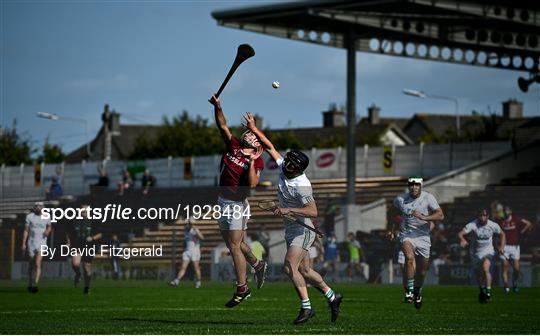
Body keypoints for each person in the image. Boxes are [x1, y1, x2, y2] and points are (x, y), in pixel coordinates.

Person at [245, 112, 342, 324]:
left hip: (303, 227)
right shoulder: (284, 166)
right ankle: (333, 296)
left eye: (290, 164)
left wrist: (288, 210)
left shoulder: (302, 185)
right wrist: (253, 129)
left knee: (290, 267)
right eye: (287, 161)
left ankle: (306, 308)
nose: (286, 165)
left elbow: (313, 211)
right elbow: (269, 146)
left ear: (298, 169)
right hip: (291, 227)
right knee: (306, 271)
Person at [208, 95, 268, 307]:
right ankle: (257, 264)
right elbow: (222, 124)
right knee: (235, 243)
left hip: (237, 205)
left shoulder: (258, 160)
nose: (249, 134)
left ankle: (242, 288)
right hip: (222, 200)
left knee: (234, 246)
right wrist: (218, 107)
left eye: (253, 134)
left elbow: (252, 185)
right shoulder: (232, 145)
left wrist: (251, 163)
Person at [388, 176, 444, 309]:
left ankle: (418, 292)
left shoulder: (428, 197)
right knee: (409, 258)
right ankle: (410, 292)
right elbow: (392, 212)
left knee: (422, 272)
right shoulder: (400, 199)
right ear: (408, 186)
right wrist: (391, 230)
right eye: (411, 185)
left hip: (423, 237)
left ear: (421, 186)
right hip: (406, 234)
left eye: (417, 185)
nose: (414, 187)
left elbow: (440, 215)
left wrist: (424, 217)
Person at [458, 209, 506, 303]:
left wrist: (502, 247)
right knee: (479, 276)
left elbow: (502, 234)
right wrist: (462, 239)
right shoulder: (473, 224)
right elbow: (460, 233)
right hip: (475, 253)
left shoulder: (493, 225)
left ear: (488, 216)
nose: (483, 217)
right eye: (481, 215)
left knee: (485, 269)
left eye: (485, 215)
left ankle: (488, 292)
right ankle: (482, 290)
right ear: (478, 216)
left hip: (488, 251)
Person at [66, 204, 102, 294]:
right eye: (83, 210)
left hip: (88, 246)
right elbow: (69, 233)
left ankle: (87, 288)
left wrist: (92, 238)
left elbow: (100, 234)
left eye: (86, 211)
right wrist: (68, 242)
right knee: (75, 264)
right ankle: (78, 274)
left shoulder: (93, 221)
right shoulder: (74, 221)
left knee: (87, 269)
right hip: (77, 245)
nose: (84, 212)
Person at [499, 205, 532, 293]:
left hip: (515, 247)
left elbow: (528, 223)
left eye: (507, 210)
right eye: (504, 210)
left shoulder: (516, 219)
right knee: (504, 267)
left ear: (510, 211)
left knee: (516, 269)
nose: (505, 212)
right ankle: (506, 286)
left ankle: (515, 284)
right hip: (505, 246)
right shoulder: (501, 221)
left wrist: (522, 231)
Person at [21, 202, 51, 293]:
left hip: (41, 243)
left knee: (38, 263)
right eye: (37, 206)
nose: (38, 207)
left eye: (40, 206)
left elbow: (49, 227)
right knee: (31, 264)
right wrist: (23, 244)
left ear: (43, 207)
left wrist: (47, 231)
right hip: (31, 243)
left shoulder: (47, 216)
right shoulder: (29, 216)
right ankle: (30, 281)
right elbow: (26, 231)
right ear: (34, 207)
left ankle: (35, 284)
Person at [170, 220, 204, 288]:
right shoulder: (186, 231)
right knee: (183, 267)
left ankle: (198, 282)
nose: (187, 225)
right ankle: (176, 281)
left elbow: (202, 238)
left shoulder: (194, 230)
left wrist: (196, 231)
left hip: (195, 252)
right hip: (187, 251)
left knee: (196, 267)